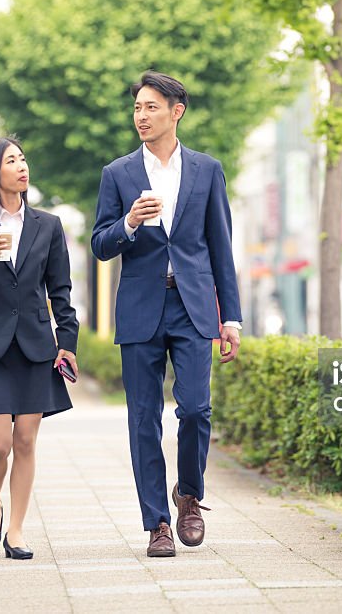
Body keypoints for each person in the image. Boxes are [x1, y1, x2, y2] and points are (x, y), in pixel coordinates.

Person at [91, 71, 242, 558]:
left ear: (176, 112)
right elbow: (99, 243)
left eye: (151, 107)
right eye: (137, 108)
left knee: (196, 409)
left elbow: (221, 247)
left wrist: (231, 317)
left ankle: (189, 495)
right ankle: (156, 521)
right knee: (143, 419)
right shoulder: (118, 174)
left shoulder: (206, 170)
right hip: (140, 309)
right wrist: (129, 223)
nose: (141, 116)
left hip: (194, 306)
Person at [0, 137, 79, 560]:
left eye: (23, 159)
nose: (22, 166)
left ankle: (17, 530)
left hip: (36, 345)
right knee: (0, 443)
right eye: (12, 160)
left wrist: (68, 342)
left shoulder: (48, 225)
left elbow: (60, 289)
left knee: (26, 440)